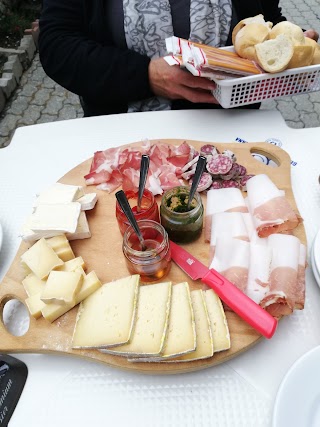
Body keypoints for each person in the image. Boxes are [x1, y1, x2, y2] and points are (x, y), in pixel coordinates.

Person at [38, 0, 319, 117]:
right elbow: (58, 44)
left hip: (230, 127)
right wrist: (145, 75)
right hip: (121, 130)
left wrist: (288, 42)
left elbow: (264, 17)